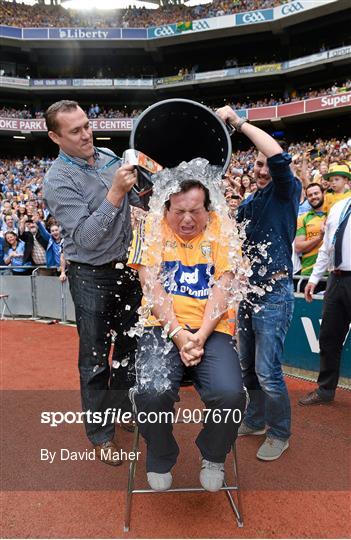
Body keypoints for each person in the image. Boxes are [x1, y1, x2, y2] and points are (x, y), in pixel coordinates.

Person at [127, 179, 246, 492]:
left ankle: (213, 454)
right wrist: (179, 335)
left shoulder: (224, 227)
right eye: (179, 211)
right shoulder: (149, 226)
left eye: (195, 211)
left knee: (231, 393)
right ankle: (161, 453)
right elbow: (150, 286)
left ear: (208, 209)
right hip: (160, 327)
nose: (187, 219)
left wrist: (200, 335)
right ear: (166, 208)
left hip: (212, 328)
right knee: (151, 392)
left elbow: (224, 285)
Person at [43, 100, 142, 466]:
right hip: (91, 276)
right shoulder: (57, 180)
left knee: (131, 349)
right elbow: (84, 238)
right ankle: (100, 433)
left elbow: (136, 204)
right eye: (75, 131)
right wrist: (115, 192)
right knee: (96, 359)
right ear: (55, 137)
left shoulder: (110, 156)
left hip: (129, 269)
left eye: (86, 125)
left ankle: (122, 409)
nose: (86, 134)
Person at [216, 106, 301, 461]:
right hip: (249, 294)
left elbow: (278, 157)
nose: (261, 168)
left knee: (268, 371)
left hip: (275, 293)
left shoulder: (288, 190)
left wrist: (239, 123)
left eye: (265, 164)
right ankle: (255, 419)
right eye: (257, 165)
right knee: (248, 368)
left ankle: (280, 433)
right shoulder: (250, 202)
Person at [299, 197, 351, 405]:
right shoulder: (338, 206)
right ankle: (325, 390)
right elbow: (327, 246)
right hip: (334, 280)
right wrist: (314, 278)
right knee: (329, 337)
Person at [294, 183, 327, 293]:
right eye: (310, 195)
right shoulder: (303, 218)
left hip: (333, 274)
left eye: (316, 193)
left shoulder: (334, 214)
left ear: (323, 193)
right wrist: (319, 238)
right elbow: (298, 247)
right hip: (308, 274)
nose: (313, 197)